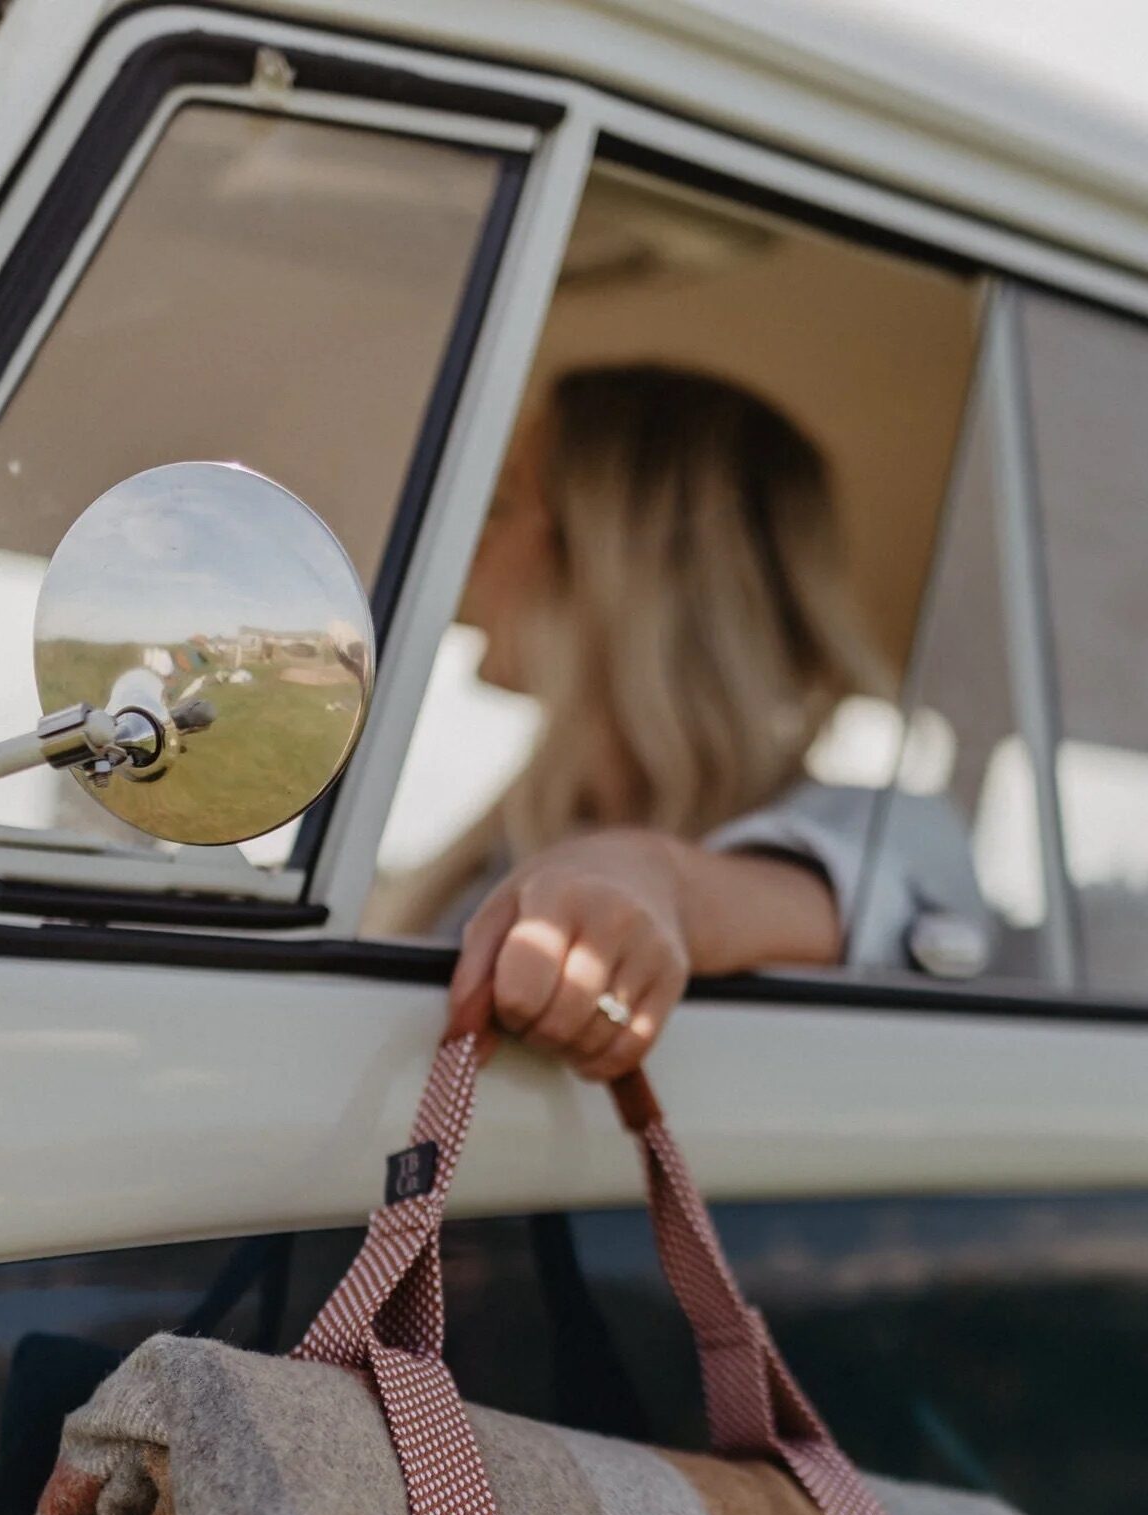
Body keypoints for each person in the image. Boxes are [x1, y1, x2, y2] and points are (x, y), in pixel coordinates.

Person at [367, 363, 988, 1078]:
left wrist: (651, 883)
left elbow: (874, 908)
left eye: (505, 503)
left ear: (609, 566)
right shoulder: (496, 850)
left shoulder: (887, 832)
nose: (474, 545)